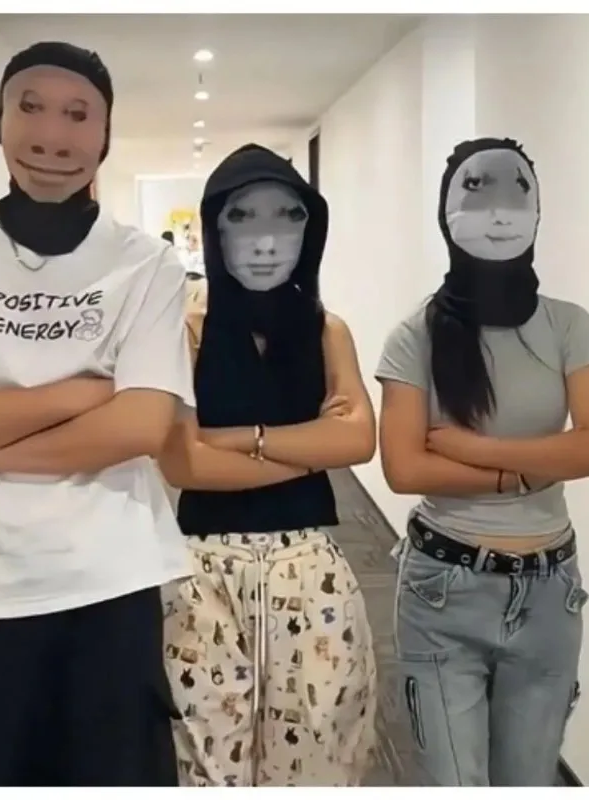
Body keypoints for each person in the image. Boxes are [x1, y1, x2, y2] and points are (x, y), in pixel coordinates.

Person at [0, 41, 193, 787]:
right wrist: (80, 394)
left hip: (114, 575)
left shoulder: (147, 263)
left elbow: (141, 427)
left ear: (105, 133)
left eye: (78, 114)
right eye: (30, 108)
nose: (52, 136)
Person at [375, 137, 589, 786]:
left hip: (550, 593)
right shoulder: (415, 335)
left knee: (528, 781)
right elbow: (405, 468)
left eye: (517, 195)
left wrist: (477, 451)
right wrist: (533, 468)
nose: (499, 215)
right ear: (447, 214)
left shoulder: (570, 326)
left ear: (538, 211)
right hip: (444, 587)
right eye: (478, 195)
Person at [158, 143, 379, 787]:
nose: (264, 242)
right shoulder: (188, 330)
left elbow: (359, 441)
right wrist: (310, 449)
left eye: (287, 217)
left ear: (311, 230)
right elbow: (183, 464)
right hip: (203, 571)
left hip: (311, 570)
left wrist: (239, 439)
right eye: (242, 218)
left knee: (317, 751)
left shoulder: (326, 330)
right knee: (207, 756)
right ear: (214, 229)